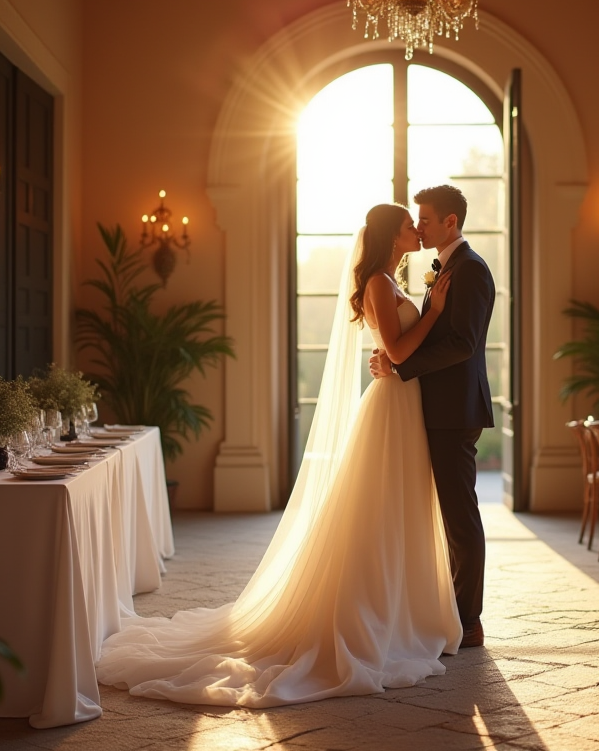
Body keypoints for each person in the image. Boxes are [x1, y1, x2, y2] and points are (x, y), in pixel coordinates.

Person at [96, 203, 462, 708]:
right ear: (389, 236)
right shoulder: (379, 283)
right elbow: (398, 353)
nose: (416, 231)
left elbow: (398, 351)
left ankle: (404, 611)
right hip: (392, 404)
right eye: (407, 226)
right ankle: (374, 616)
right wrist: (436, 313)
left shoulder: (391, 281)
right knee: (380, 510)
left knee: (401, 508)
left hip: (405, 400)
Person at [370, 184, 496, 649]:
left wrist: (400, 366)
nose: (419, 227)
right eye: (414, 220)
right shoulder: (446, 268)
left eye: (424, 219)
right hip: (435, 408)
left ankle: (469, 621)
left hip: (454, 410)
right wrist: (394, 358)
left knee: (460, 517)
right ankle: (444, 612)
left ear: (450, 222)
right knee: (445, 516)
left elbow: (463, 344)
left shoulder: (471, 270)